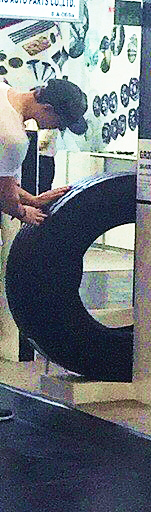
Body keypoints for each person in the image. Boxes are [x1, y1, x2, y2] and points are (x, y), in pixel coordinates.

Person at [0, 78, 87, 422]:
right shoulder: (13, 137)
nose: (56, 128)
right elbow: (5, 197)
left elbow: (4, 182)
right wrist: (26, 213)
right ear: (46, 108)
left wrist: (33, 199)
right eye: (59, 122)